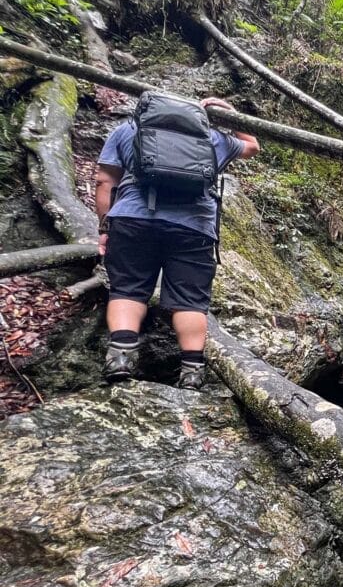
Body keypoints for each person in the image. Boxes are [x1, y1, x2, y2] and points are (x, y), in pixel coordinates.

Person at [94, 96, 260, 390]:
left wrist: (105, 226)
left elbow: (105, 181)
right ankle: (192, 371)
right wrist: (230, 113)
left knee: (128, 289)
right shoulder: (213, 139)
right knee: (191, 301)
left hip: (133, 221)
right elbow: (252, 146)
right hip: (193, 228)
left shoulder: (127, 131)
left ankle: (120, 357)